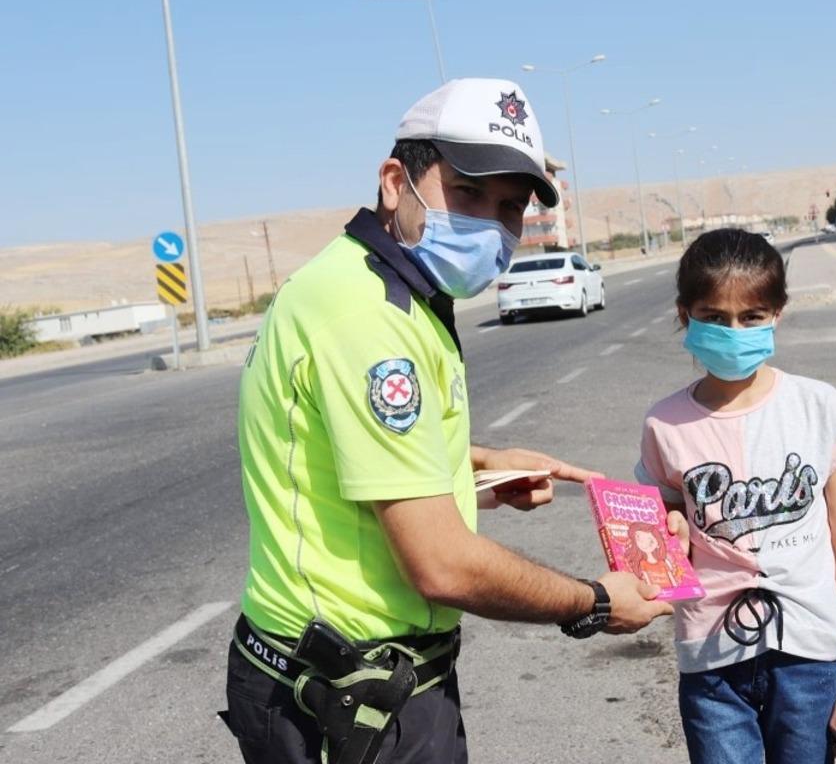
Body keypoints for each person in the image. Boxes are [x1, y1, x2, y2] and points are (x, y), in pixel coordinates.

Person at [222, 78, 672, 764]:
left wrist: (479, 466)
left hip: (363, 683)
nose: (492, 226)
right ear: (395, 181)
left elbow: (346, 456)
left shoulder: (373, 285)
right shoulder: (367, 314)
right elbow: (440, 564)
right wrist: (593, 604)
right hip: (342, 694)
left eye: (509, 208)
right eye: (468, 195)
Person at [635, 228, 836, 764]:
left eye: (752, 316)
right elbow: (659, 544)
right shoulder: (664, 424)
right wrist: (664, 540)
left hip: (810, 660)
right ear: (684, 315)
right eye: (715, 317)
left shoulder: (819, 408)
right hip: (711, 667)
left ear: (777, 315)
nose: (734, 330)